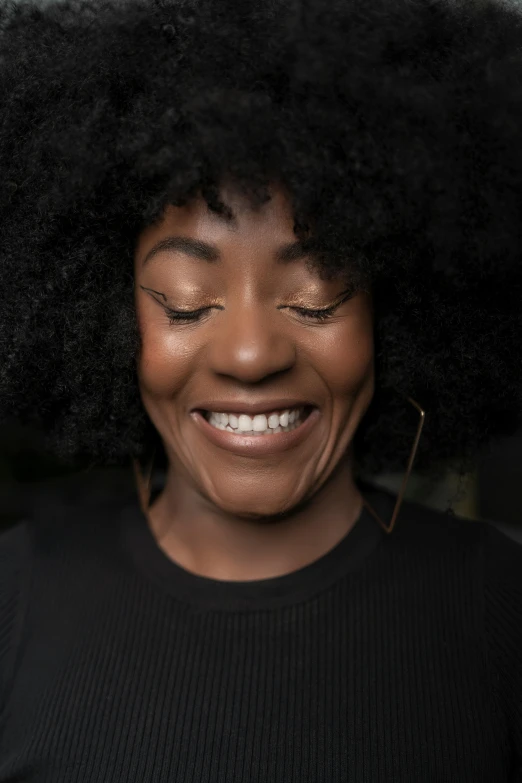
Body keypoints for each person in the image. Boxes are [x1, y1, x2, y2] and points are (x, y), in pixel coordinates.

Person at [0, 0, 521, 779]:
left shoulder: (503, 611)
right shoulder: (14, 598)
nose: (249, 354)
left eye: (316, 295)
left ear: (399, 310)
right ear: (103, 316)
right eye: (184, 298)